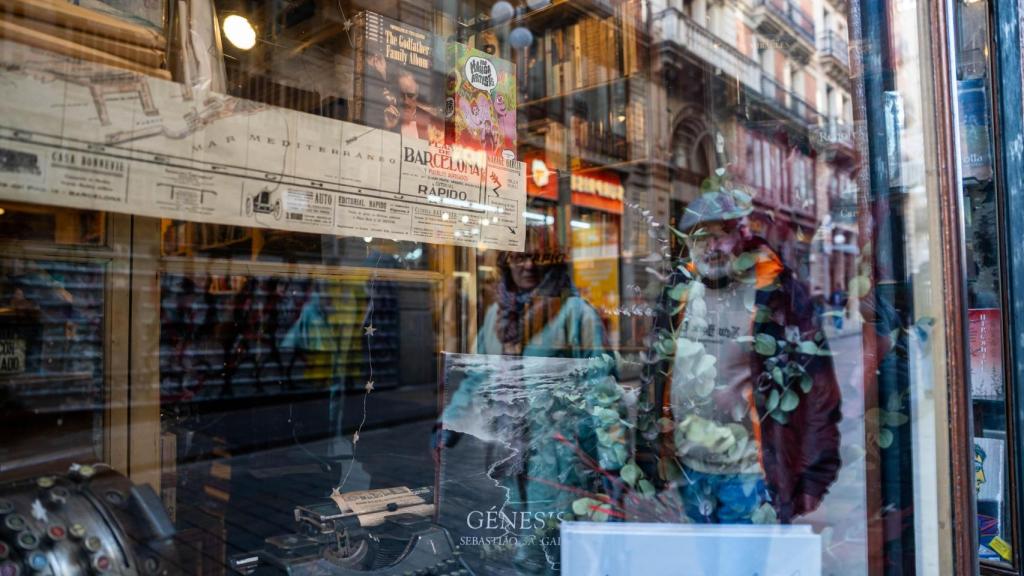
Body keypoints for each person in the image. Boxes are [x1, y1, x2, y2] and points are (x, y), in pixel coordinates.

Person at [649, 188, 842, 524]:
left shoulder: (776, 293)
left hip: (751, 476)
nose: (711, 247)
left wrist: (813, 476)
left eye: (720, 235)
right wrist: (648, 455)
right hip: (688, 472)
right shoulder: (678, 292)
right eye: (700, 237)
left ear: (741, 235)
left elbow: (818, 388)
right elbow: (655, 374)